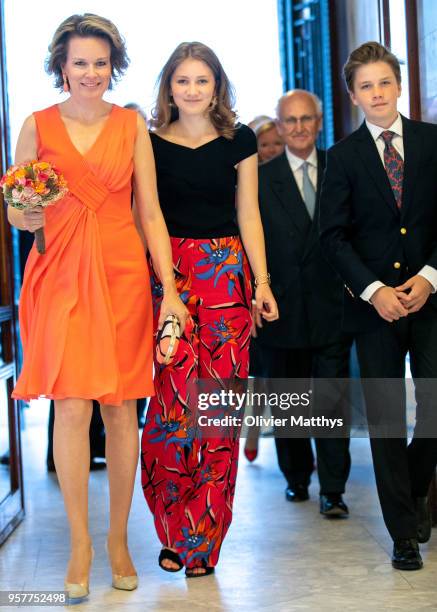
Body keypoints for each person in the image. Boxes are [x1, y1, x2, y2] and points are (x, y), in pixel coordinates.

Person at [8, 13, 187, 599]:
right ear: (61, 65)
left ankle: (117, 539)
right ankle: (80, 543)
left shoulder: (132, 125)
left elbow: (151, 213)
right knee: (71, 405)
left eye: (100, 62)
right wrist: (22, 215)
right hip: (59, 274)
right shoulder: (35, 126)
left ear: (115, 66)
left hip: (122, 276)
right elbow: (15, 204)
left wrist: (172, 289)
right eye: (80, 62)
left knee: (119, 409)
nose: (90, 72)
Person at [140, 41, 278, 577]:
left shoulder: (240, 140)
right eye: (182, 81)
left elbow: (250, 216)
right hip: (167, 280)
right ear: (168, 88)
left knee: (219, 414)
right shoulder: (148, 143)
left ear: (216, 86)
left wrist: (261, 283)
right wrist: (164, 284)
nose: (192, 90)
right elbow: (146, 216)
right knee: (170, 413)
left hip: (227, 276)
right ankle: (173, 529)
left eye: (202, 80)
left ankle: (203, 544)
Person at [319, 41, 437, 570]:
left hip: (432, 299)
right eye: (365, 86)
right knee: (388, 417)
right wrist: (375, 291)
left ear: (399, 85)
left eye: (384, 82)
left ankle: (412, 489)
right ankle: (403, 535)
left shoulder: (434, 142)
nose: (377, 93)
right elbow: (333, 237)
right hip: (374, 309)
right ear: (353, 95)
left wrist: (430, 278)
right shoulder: (341, 157)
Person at [254, 90, 352, 515]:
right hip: (283, 309)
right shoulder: (259, 178)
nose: (297, 128)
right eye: (289, 120)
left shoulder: (342, 168)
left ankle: (333, 489)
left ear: (319, 121)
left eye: (305, 119)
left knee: (331, 402)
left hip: (334, 307)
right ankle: (297, 478)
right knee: (289, 399)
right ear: (278, 125)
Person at [244, 116, 284, 462]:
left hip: (285, 288)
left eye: (276, 143)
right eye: (264, 144)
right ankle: (253, 431)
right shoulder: (244, 185)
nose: (271, 150)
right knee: (259, 373)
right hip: (255, 287)